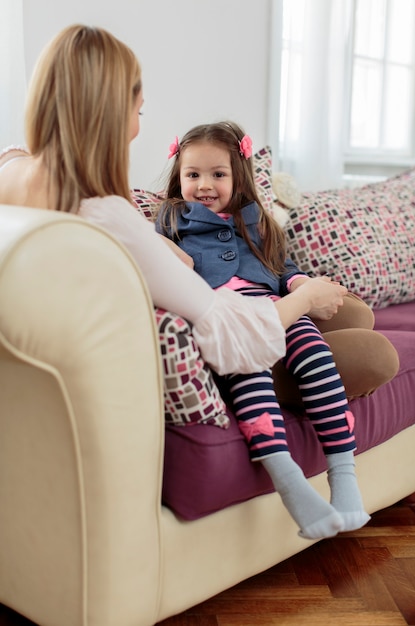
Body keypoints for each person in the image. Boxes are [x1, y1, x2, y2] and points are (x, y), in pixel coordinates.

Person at [0, 24, 349, 385]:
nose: (136, 128)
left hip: (27, 392)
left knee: (348, 318)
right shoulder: (103, 214)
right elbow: (231, 331)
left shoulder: (10, 168)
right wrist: (305, 299)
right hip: (101, 387)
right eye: (139, 112)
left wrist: (156, 243)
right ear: (112, 115)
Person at [156, 121, 373, 540]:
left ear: (239, 175)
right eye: (193, 174)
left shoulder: (260, 222)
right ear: (178, 176)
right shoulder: (170, 219)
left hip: (279, 309)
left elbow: (282, 270)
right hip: (227, 320)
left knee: (315, 352)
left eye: (218, 174)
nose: (204, 185)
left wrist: (302, 285)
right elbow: (167, 268)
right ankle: (289, 483)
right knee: (249, 372)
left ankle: (344, 475)